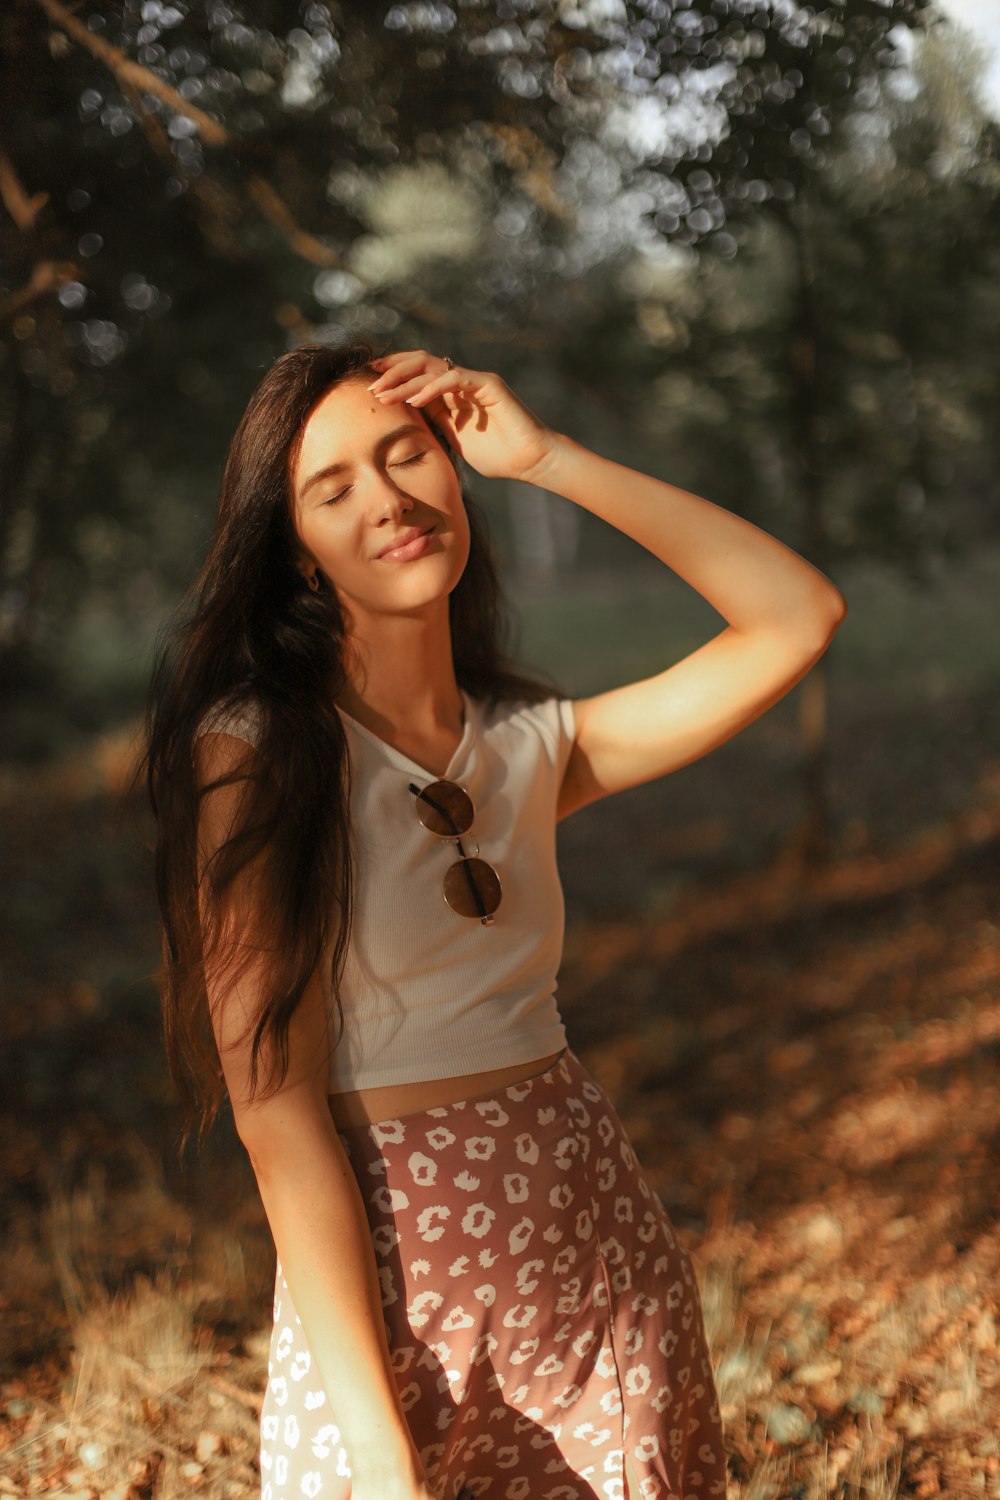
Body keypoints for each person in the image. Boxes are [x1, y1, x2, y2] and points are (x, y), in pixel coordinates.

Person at [141, 341, 847, 1500]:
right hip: (399, 1289)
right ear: (299, 558)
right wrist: (376, 1448)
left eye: (407, 453)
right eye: (334, 489)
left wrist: (550, 458)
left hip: (594, 1252)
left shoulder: (529, 744)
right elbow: (274, 1116)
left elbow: (797, 616)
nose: (390, 499)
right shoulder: (258, 754)